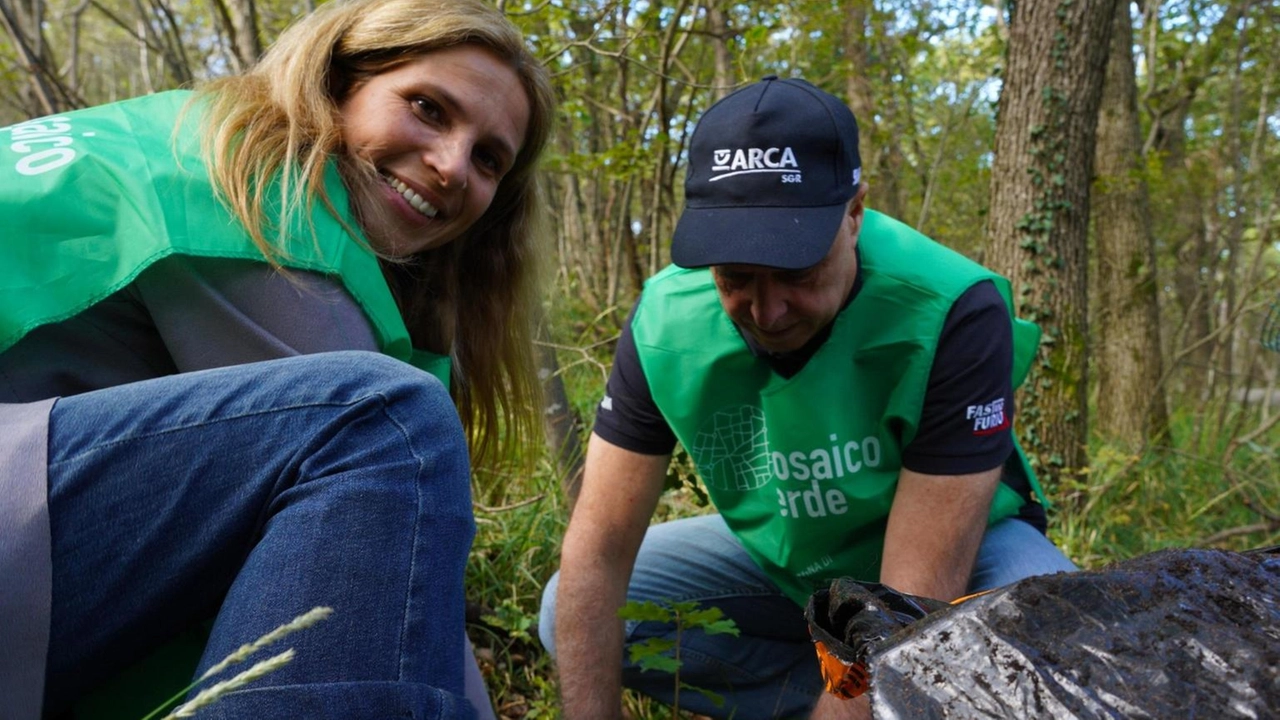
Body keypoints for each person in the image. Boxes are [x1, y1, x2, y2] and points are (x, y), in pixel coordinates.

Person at [0, 0, 554, 717]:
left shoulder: (180, 138)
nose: (451, 166)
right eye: (427, 108)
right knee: (387, 422)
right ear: (338, 82)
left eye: (488, 159)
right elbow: (404, 584)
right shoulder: (249, 195)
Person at [538, 76, 1077, 719]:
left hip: (959, 551)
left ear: (854, 214)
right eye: (735, 278)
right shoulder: (665, 322)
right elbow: (597, 552)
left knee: (1054, 644)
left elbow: (902, 609)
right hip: (788, 553)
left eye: (797, 273)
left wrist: (861, 690)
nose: (767, 312)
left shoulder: (950, 312)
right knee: (570, 611)